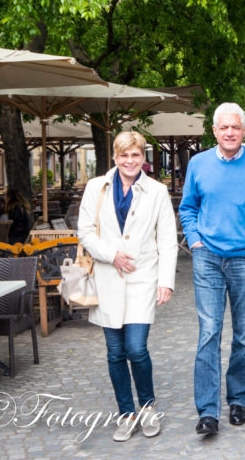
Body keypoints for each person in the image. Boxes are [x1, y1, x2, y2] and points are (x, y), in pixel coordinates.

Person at [179, 103, 245, 436]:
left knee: (244, 335)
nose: (229, 133)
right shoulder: (198, 164)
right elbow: (188, 207)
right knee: (208, 333)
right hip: (207, 257)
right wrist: (194, 240)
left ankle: (238, 400)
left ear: (243, 130)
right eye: (224, 128)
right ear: (214, 131)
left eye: (235, 127)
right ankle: (208, 411)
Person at [77, 130, 177, 442]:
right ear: (115, 157)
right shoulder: (97, 187)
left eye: (135, 155)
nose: (129, 161)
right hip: (107, 277)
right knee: (115, 351)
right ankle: (126, 413)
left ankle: (147, 407)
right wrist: (111, 255)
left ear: (143, 158)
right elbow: (84, 231)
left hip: (142, 278)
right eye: (124, 155)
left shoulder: (157, 192)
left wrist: (166, 282)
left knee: (136, 348)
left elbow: (168, 241)